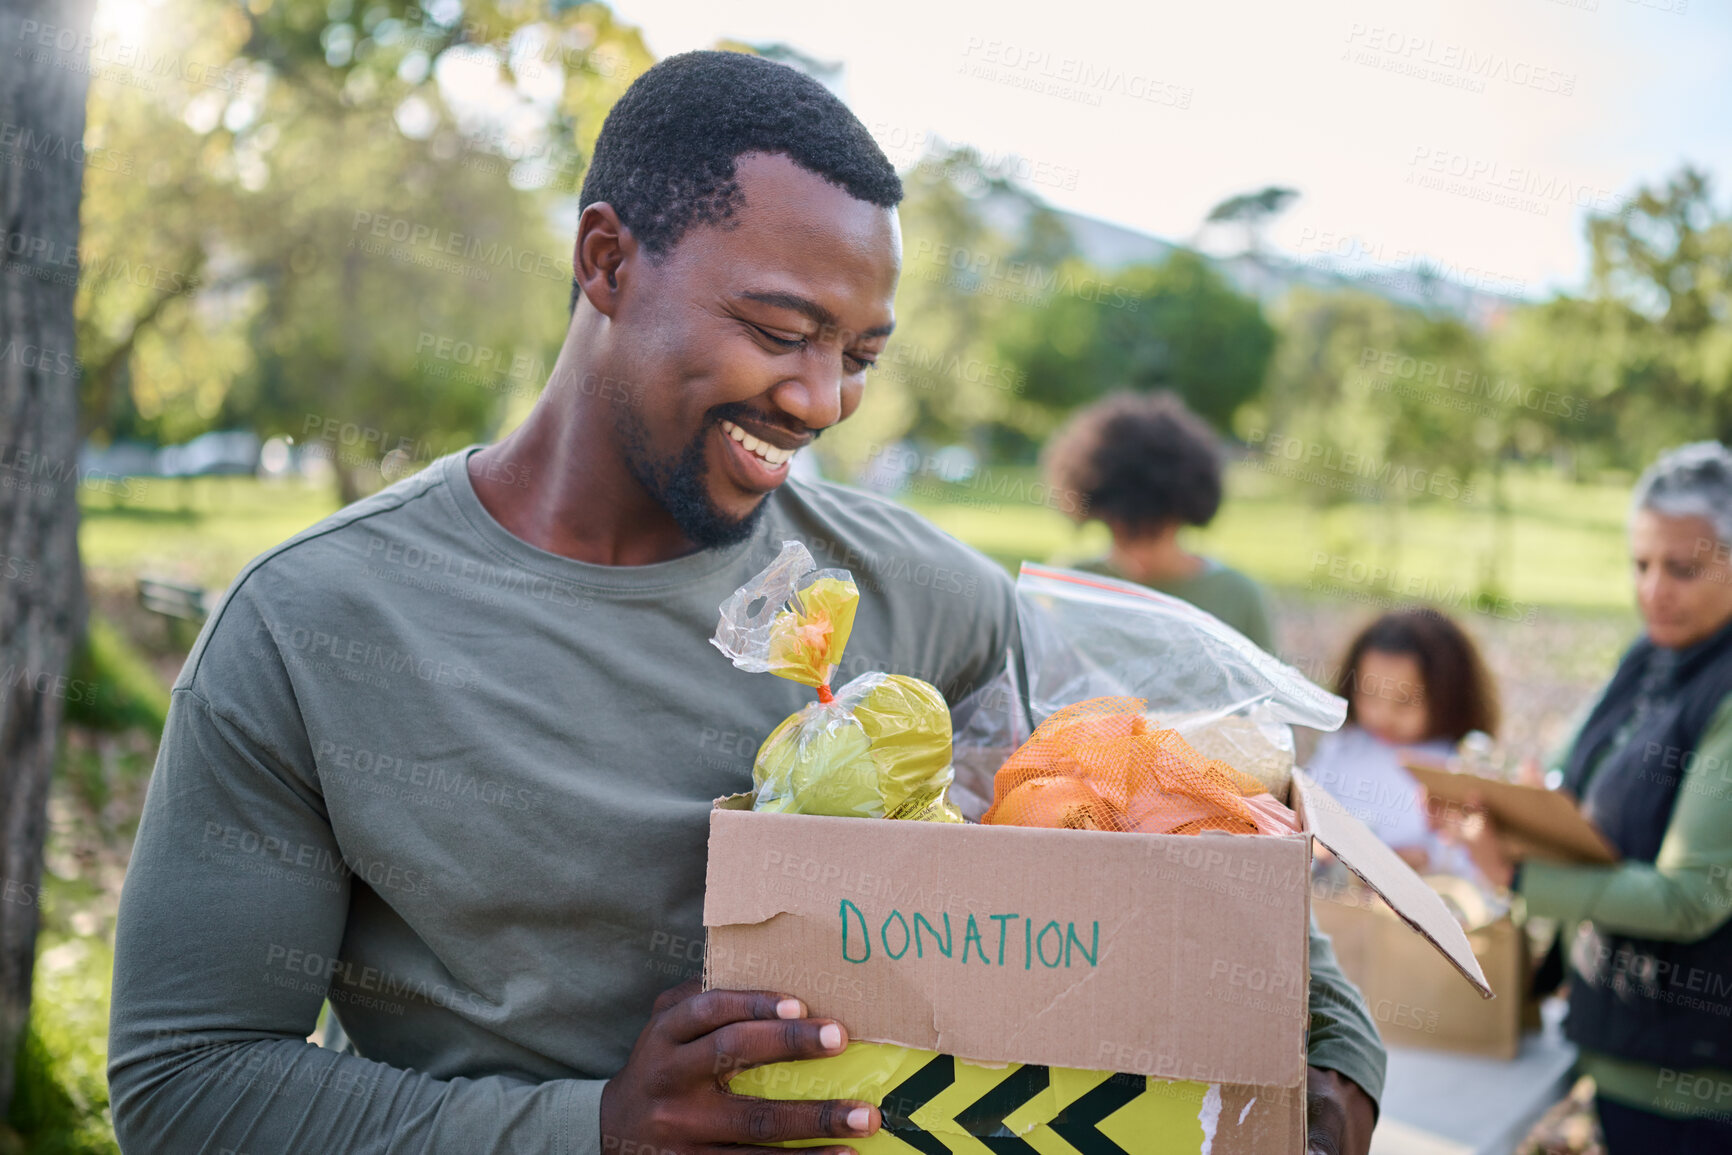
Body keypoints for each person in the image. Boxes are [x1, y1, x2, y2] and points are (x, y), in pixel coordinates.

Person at [106, 52, 1383, 1155]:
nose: (823, 400)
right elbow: (186, 1085)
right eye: (782, 331)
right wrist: (595, 1128)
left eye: (860, 357)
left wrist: (1329, 1063)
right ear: (607, 261)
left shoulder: (923, 595)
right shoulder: (310, 628)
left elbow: (1168, 814)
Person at [1444, 442, 1732, 1154]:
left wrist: (1517, 875)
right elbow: (1563, 785)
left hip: (1690, 1082)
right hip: (1620, 1047)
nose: (1654, 589)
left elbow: (1690, 897)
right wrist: (1498, 810)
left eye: (1683, 568)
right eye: (1641, 564)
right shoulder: (1649, 654)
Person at [1044, 391, 1276, 650]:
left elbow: (1271, 688)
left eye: (1152, 534)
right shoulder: (1075, 584)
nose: (1137, 554)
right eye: (1122, 534)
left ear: (1181, 516)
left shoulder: (1237, 596)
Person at [1309, 608, 1499, 873]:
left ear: (1448, 697)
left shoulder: (1457, 763)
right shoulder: (1342, 747)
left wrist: (1428, 857)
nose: (1383, 716)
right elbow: (1308, 808)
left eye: (1404, 702)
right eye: (1370, 695)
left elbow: (1474, 857)